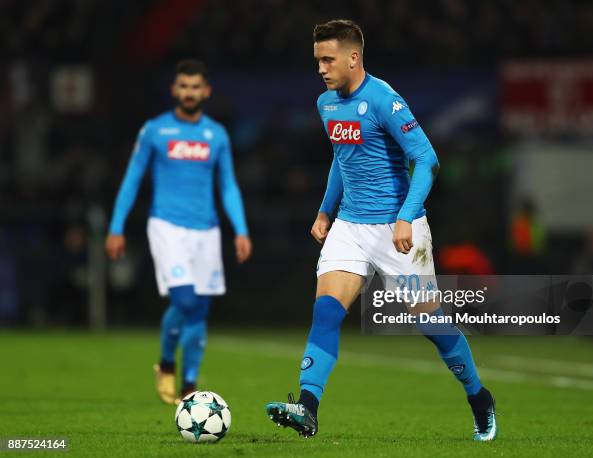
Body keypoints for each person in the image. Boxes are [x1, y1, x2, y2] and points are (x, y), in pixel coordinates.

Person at [265, 20, 496, 442]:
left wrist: (407, 215)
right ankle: (308, 407)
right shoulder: (327, 104)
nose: (321, 68)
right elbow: (342, 157)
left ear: (354, 58)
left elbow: (426, 160)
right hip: (350, 228)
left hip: (397, 230)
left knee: (430, 323)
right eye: (317, 60)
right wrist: (324, 210)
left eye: (328, 59)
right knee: (326, 312)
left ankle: (479, 396)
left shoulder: (385, 100)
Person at [106, 59, 252, 404]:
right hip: (166, 226)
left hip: (207, 230)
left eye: (195, 87)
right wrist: (116, 227)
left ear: (206, 91)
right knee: (185, 299)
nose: (189, 93)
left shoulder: (216, 134)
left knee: (199, 309)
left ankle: (189, 385)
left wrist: (241, 230)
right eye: (183, 86)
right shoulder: (155, 131)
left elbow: (228, 185)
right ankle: (168, 361)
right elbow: (132, 179)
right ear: (174, 90)